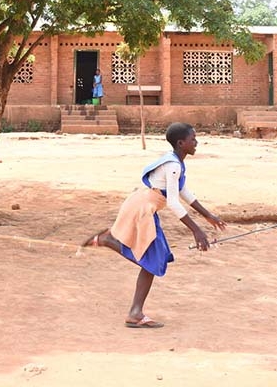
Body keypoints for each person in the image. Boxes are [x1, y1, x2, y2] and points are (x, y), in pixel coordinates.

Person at [82, 122, 226, 328]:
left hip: (145, 207)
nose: (197, 142)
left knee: (157, 260)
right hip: (143, 209)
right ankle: (110, 243)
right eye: (193, 139)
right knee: (153, 261)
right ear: (181, 143)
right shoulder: (174, 165)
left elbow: (183, 192)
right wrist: (197, 230)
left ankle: (135, 311)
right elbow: (174, 202)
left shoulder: (175, 162)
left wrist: (208, 216)